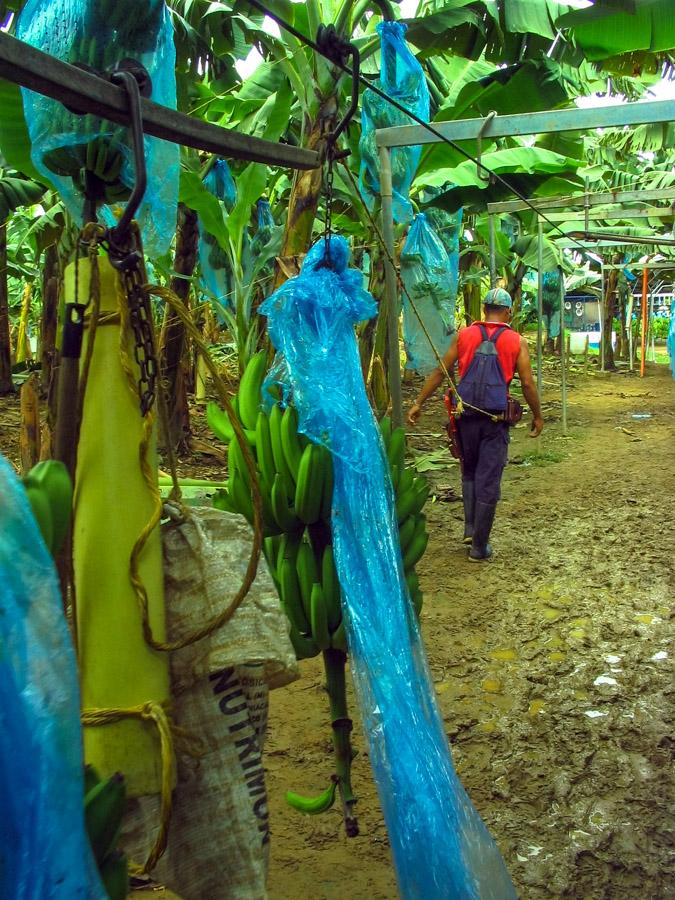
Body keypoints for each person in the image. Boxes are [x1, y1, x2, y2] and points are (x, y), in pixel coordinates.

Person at [408, 287, 544, 562]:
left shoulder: (465, 336)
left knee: (469, 472)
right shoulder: (516, 341)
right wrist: (538, 415)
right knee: (488, 481)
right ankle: (479, 546)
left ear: (484, 310)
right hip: (494, 422)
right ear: (508, 312)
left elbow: (441, 371)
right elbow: (528, 383)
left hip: (464, 417)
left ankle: (470, 529)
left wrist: (419, 402)